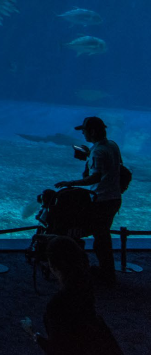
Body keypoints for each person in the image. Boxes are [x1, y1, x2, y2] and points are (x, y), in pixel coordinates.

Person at [20, 235, 122, 355]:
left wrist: (32, 332)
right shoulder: (86, 289)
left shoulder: (57, 305)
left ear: (52, 265)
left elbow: (57, 350)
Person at [54, 117, 122, 286]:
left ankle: (105, 274)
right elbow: (114, 167)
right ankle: (107, 271)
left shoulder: (98, 151)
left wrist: (71, 183)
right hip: (114, 198)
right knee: (103, 236)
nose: (82, 133)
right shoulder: (112, 145)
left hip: (102, 200)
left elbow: (95, 177)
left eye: (84, 130)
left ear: (92, 131)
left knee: (98, 237)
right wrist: (88, 157)